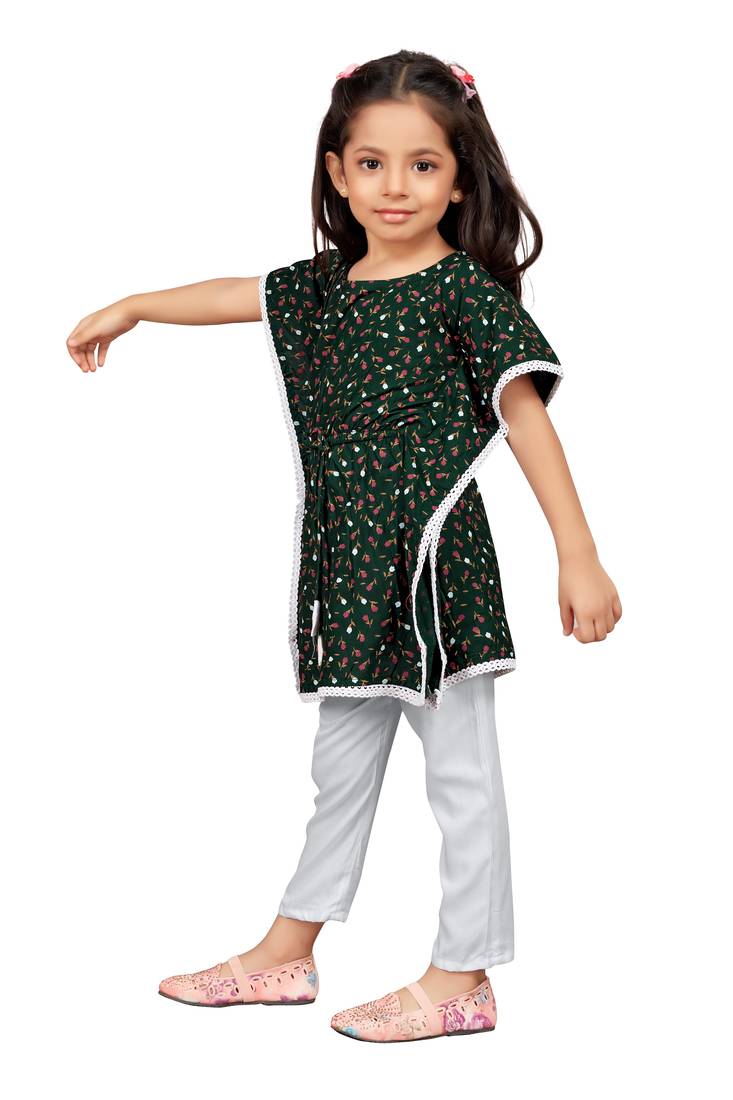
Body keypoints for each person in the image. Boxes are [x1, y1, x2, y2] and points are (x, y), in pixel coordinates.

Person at [66, 49, 622, 1044]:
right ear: (337, 170)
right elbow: (238, 292)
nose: (394, 186)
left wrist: (575, 554)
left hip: (434, 566)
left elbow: (525, 417)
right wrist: (138, 304)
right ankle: (288, 950)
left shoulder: (463, 293)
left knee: (460, 775)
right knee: (340, 771)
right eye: (371, 163)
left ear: (459, 179)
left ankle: (462, 973)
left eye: (422, 165)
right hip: (351, 569)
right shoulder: (324, 289)